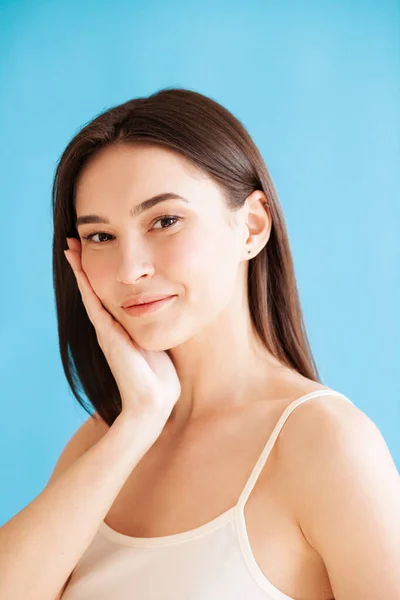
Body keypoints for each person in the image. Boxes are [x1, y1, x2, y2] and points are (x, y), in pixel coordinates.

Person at [1, 88, 399, 600]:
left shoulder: (326, 444)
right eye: (101, 237)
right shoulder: (100, 440)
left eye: (164, 221)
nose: (130, 270)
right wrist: (139, 420)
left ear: (252, 226)